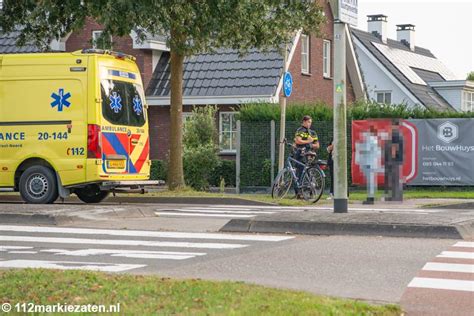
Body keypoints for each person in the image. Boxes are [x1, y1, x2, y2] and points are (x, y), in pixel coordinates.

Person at [293, 115, 320, 197]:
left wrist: (310, 145)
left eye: (310, 122)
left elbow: (317, 145)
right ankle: (298, 193)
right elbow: (298, 141)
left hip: (310, 155)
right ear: (304, 121)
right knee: (299, 172)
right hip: (300, 154)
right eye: (308, 122)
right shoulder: (300, 130)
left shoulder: (313, 133)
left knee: (310, 172)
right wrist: (308, 141)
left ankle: (311, 192)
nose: (309, 124)